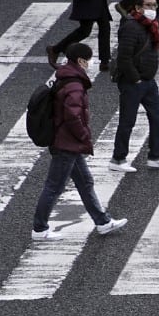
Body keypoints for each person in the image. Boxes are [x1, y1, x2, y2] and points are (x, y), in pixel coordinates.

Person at [32, 44, 128, 241]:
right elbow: (73, 116)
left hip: (66, 142)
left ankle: (102, 222)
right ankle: (39, 228)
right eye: (89, 59)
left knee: (85, 182)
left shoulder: (65, 77)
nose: (90, 63)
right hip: (67, 143)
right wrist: (84, 135)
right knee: (54, 187)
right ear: (81, 61)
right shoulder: (75, 85)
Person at [109, 0, 159, 172]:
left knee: (157, 115)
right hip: (134, 82)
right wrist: (136, 79)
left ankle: (156, 156)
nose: (152, 8)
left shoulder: (149, 25)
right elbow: (124, 58)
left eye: (154, 5)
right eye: (148, 5)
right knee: (127, 121)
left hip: (147, 80)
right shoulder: (131, 27)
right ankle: (118, 159)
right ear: (138, 8)